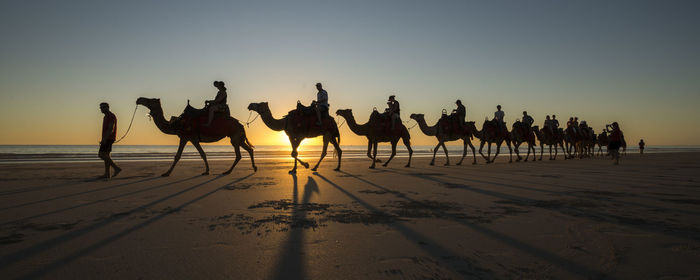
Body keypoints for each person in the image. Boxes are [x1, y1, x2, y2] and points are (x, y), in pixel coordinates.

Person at [99, 102, 121, 178]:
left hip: (109, 138)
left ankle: (116, 168)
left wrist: (104, 138)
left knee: (101, 154)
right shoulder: (105, 117)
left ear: (107, 107)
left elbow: (111, 128)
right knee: (106, 155)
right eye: (100, 107)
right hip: (107, 138)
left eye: (103, 107)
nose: (101, 109)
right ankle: (107, 174)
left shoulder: (111, 116)